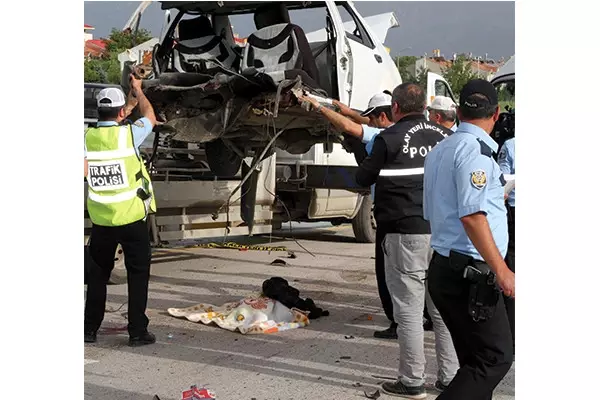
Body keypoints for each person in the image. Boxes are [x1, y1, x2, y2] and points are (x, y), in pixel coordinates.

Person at [356, 83, 458, 398]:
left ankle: (412, 381)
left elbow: (362, 179)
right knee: (442, 310)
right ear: (425, 108)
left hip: (405, 233)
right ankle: (451, 378)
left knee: (410, 310)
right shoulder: (447, 138)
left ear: (395, 108)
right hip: (444, 235)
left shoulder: (389, 139)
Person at [423, 79, 515, 399]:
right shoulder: (476, 152)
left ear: (459, 112)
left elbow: (433, 212)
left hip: (446, 268)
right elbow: (473, 217)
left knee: (474, 363)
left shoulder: (440, 151)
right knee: (494, 360)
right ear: (497, 113)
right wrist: (502, 271)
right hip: (471, 275)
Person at [300, 92, 398, 339]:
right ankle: (416, 318)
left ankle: (399, 322)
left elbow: (352, 128)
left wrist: (319, 109)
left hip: (390, 214)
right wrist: (341, 107)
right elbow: (360, 121)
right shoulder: (405, 131)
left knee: (390, 273)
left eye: (372, 118)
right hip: (411, 215)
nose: (369, 122)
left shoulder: (383, 136)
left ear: (383, 116)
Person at [84, 75, 158, 347]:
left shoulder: (87, 138)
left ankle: (89, 329)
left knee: (98, 276)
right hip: (131, 218)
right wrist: (138, 90)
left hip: (103, 220)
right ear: (120, 113)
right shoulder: (129, 133)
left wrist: (129, 98)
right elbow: (150, 115)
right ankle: (137, 332)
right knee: (137, 275)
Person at [498, 137, 515, 354]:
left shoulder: (511, 145)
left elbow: (503, 181)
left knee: (512, 274)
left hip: (515, 211)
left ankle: (513, 337)